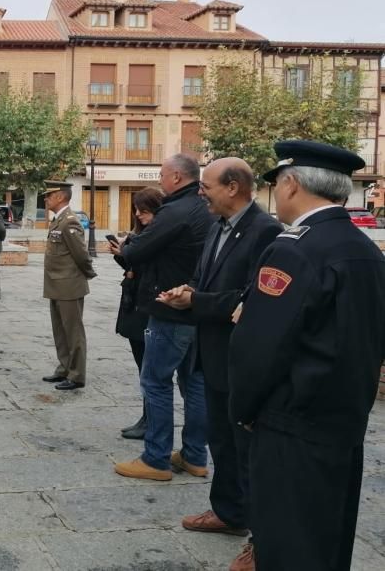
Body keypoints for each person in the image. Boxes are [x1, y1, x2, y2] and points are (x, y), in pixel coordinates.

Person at [228, 141, 385, 571]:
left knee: (286, 542)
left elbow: (261, 346)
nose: (276, 194)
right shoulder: (363, 249)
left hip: (291, 424)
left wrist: (243, 407)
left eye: (277, 184)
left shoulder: (293, 248)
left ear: (292, 183)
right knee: (327, 540)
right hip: (344, 423)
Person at [158, 158, 282, 571]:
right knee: (220, 440)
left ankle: (260, 539)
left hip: (241, 357)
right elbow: (206, 282)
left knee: (248, 450)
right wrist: (186, 290)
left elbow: (251, 300)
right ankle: (228, 512)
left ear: (233, 187)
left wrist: (196, 300)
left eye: (207, 185)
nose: (200, 191)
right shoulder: (215, 226)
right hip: (210, 351)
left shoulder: (267, 232)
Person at [112, 153, 215, 481]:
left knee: (155, 381)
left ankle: (155, 458)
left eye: (162, 175)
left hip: (169, 307)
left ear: (175, 177)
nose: (160, 180)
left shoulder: (175, 210)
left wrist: (126, 248)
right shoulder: (205, 208)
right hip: (197, 304)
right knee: (194, 383)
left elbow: (137, 252)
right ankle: (195, 456)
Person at [113, 187, 164, 440]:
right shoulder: (140, 234)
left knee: (150, 369)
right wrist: (123, 257)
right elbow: (133, 264)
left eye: (144, 211)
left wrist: (130, 260)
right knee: (142, 366)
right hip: (133, 305)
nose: (139, 215)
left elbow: (149, 269)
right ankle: (146, 417)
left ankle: (151, 420)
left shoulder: (159, 235)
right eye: (136, 210)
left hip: (146, 307)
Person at [41, 181, 96, 390]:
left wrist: (88, 274)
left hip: (69, 285)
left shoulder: (69, 222)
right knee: (60, 330)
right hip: (56, 284)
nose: (46, 199)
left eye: (49, 195)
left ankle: (77, 375)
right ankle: (64, 368)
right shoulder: (58, 220)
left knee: (73, 332)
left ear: (60, 197)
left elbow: (81, 254)